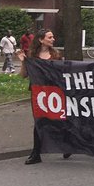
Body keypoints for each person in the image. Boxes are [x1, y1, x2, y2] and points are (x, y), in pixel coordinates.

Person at [23, 30, 61, 165]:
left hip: (54, 92)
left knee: (58, 120)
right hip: (38, 93)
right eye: (50, 37)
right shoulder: (32, 56)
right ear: (41, 40)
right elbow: (24, 75)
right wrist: (24, 62)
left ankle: (66, 145)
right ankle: (36, 153)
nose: (53, 39)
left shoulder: (56, 55)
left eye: (52, 37)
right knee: (39, 121)